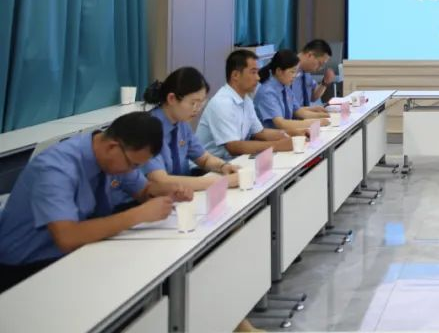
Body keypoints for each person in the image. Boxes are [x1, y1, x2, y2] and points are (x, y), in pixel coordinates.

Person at [0, 113, 193, 293]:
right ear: (112, 147)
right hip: (26, 269)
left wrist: (168, 190)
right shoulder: (56, 168)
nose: (132, 170)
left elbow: (143, 191)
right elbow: (67, 237)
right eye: (133, 164)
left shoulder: (112, 156)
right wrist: (139, 214)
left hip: (79, 253)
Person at [142, 67, 240, 190]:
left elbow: (204, 159)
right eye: (193, 103)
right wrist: (220, 182)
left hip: (182, 193)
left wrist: (223, 166)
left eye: (201, 103)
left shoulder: (182, 124)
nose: (197, 109)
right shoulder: (147, 130)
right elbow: (161, 181)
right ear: (171, 98)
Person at [196, 50, 294, 160]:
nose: (258, 78)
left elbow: (260, 132)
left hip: (231, 161)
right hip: (206, 167)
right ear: (235, 75)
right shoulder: (222, 103)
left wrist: (295, 134)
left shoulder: (246, 100)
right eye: (253, 72)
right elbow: (234, 147)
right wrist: (277, 146)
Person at [254, 50, 324, 135]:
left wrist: (323, 115)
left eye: (296, 72)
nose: (295, 76)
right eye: (292, 72)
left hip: (285, 134)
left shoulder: (285, 87)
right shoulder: (267, 92)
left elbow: (298, 111)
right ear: (279, 71)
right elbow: (281, 124)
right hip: (271, 138)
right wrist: (315, 122)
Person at [290, 39, 335, 119]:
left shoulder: (306, 73)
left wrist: (325, 83)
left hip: (305, 119)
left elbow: (313, 96)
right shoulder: (288, 71)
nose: (320, 68)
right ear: (310, 55)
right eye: (319, 64)